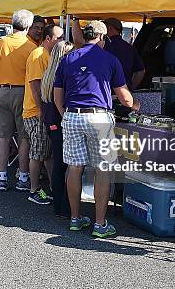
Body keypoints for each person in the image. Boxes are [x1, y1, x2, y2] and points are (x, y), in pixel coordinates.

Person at [54, 21, 139, 238]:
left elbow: (57, 95)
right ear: (102, 37)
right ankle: (100, 224)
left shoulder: (67, 58)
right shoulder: (110, 59)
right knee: (103, 169)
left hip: (72, 115)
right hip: (99, 117)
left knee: (74, 168)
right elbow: (124, 97)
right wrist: (135, 105)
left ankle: (75, 218)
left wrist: (66, 115)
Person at [0, 9, 37, 192]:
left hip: (1, 91)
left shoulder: (1, 43)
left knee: (3, 137)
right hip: (22, 93)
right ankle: (23, 176)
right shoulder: (32, 47)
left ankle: (2, 177)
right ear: (29, 26)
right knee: (24, 138)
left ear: (12, 23)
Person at [23, 24, 64, 205]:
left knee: (46, 153)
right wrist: (41, 110)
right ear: (48, 39)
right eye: (58, 37)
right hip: (35, 111)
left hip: (40, 111)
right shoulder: (38, 55)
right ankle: (33, 190)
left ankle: (54, 187)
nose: (61, 41)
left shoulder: (46, 54)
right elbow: (35, 85)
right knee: (38, 153)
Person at [41, 40, 75, 217]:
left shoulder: (48, 74)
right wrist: (67, 118)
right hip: (60, 122)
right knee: (67, 166)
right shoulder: (62, 75)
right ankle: (65, 206)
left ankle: (58, 204)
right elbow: (58, 101)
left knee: (58, 165)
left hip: (50, 123)